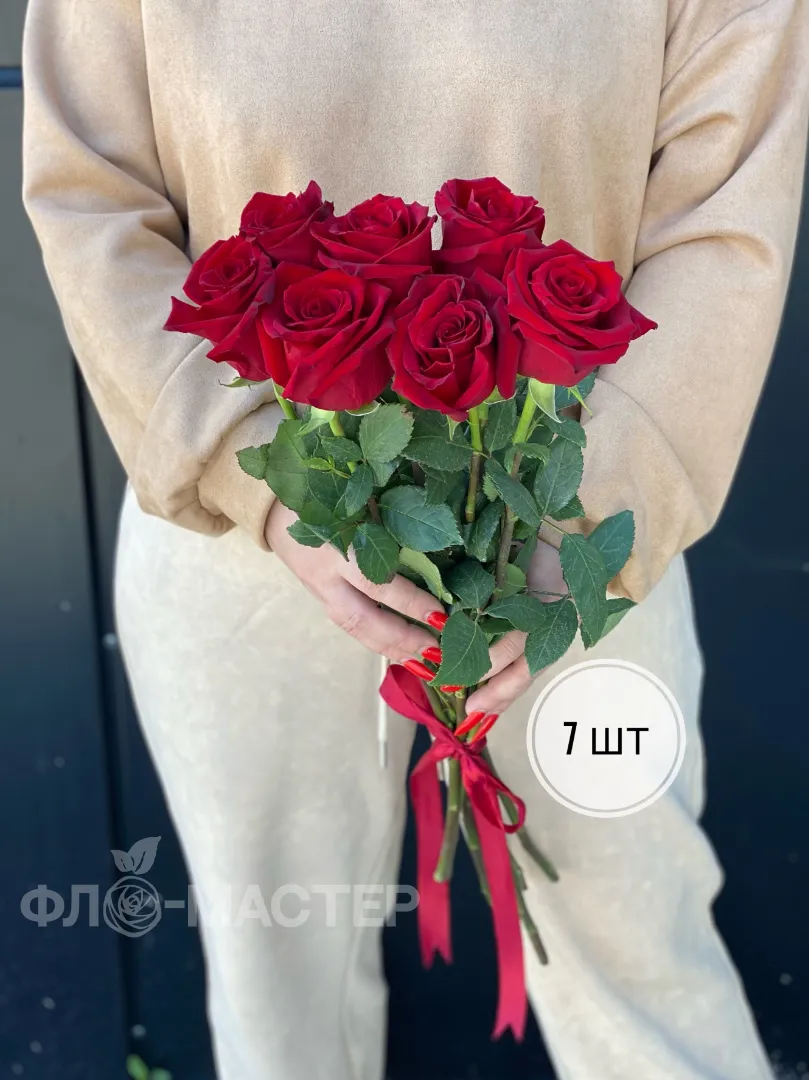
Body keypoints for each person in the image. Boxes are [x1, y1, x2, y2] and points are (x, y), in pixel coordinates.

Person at [22, 1, 809, 1078]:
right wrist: (255, 476)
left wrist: (578, 534)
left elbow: (723, 227)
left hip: (581, 543)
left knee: (643, 946)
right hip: (250, 544)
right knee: (279, 982)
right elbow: (91, 193)